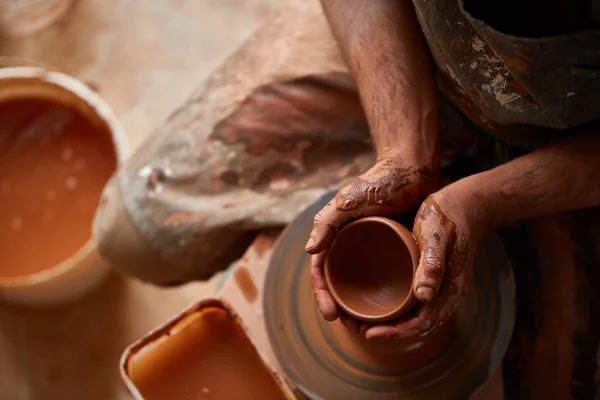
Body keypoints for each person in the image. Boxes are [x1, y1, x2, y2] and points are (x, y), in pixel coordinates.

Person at [94, 0, 600, 397]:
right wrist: (403, 149)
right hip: (413, 54)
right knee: (134, 232)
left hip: (578, 159)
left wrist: (487, 200)